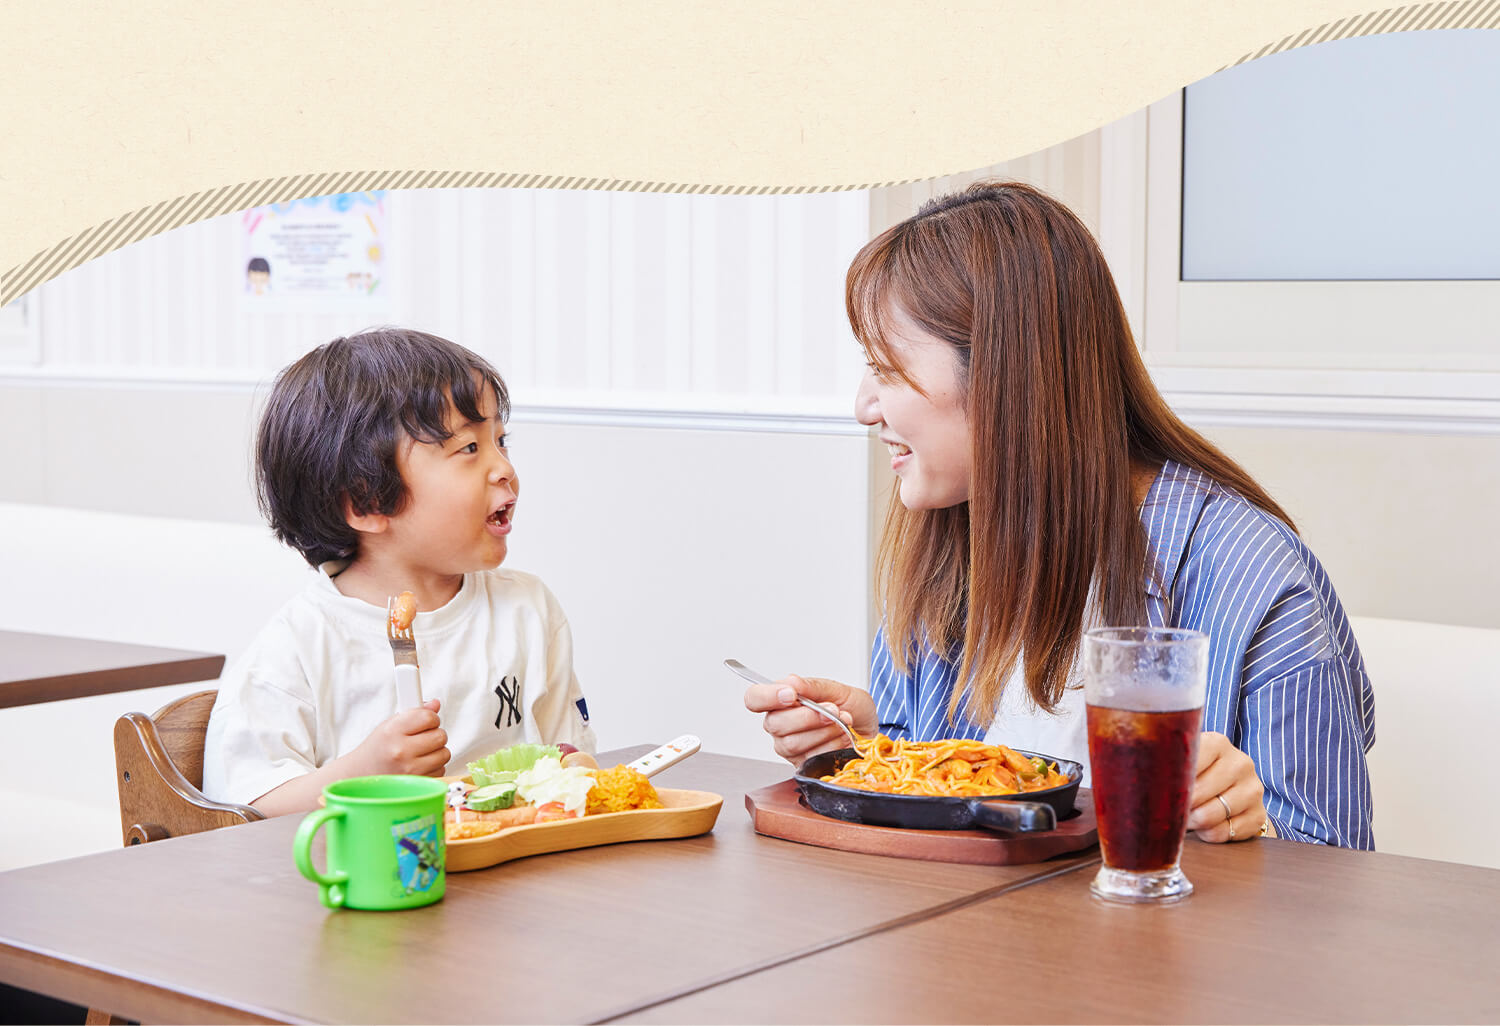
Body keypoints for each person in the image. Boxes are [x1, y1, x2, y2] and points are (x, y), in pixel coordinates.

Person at [744, 181, 1375, 849]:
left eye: (887, 368)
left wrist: (1252, 825)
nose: (864, 407)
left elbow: (1331, 890)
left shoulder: (1256, 578)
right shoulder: (951, 542)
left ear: (1002, 375)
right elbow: (960, 817)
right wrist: (876, 747)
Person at [203, 327, 596, 815]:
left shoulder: (528, 610)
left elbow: (566, 753)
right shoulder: (298, 648)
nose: (504, 468)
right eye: (469, 449)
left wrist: (577, 768)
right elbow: (242, 812)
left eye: (500, 440)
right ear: (368, 500)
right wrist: (365, 773)